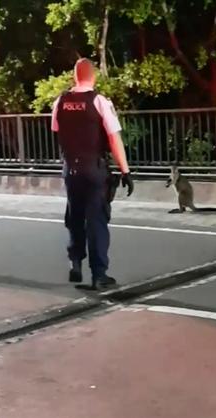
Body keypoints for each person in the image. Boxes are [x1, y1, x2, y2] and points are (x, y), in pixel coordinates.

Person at [51, 57, 134, 290]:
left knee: (74, 216)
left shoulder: (60, 102)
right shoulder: (99, 101)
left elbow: (56, 130)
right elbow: (113, 138)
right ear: (93, 76)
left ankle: (75, 261)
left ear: (74, 76)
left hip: (71, 168)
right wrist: (125, 170)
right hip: (93, 168)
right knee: (96, 219)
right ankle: (99, 275)